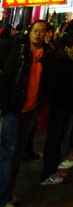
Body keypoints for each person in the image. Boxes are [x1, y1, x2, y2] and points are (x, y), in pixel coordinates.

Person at [0, 19, 52, 207]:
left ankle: (8, 193)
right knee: (10, 154)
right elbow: (5, 79)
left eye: (42, 31)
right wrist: (6, 106)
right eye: (36, 31)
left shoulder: (47, 54)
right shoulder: (20, 53)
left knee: (17, 153)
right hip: (14, 111)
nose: (39, 34)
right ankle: (3, 198)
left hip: (31, 111)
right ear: (30, 33)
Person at [40, 30, 73, 186]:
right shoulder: (62, 59)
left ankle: (56, 166)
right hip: (60, 105)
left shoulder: (71, 57)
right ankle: (49, 172)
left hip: (69, 104)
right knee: (55, 138)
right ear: (71, 45)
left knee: (61, 135)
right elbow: (59, 84)